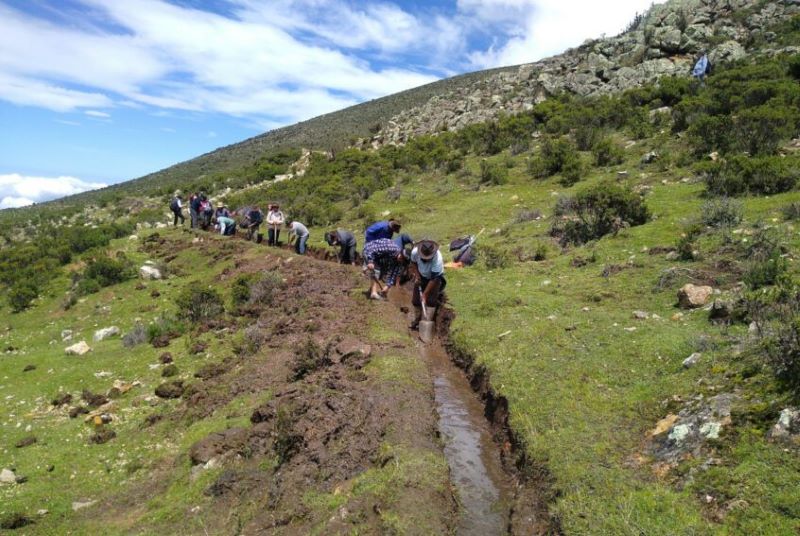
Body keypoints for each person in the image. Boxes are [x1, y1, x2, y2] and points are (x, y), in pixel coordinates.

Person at [409, 239, 446, 330]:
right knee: (416, 301)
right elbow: (413, 263)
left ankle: (427, 321)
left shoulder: (438, 259)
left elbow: (434, 278)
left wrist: (425, 294)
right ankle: (417, 320)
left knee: (430, 301)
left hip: (435, 278)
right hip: (421, 275)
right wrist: (417, 275)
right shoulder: (415, 252)